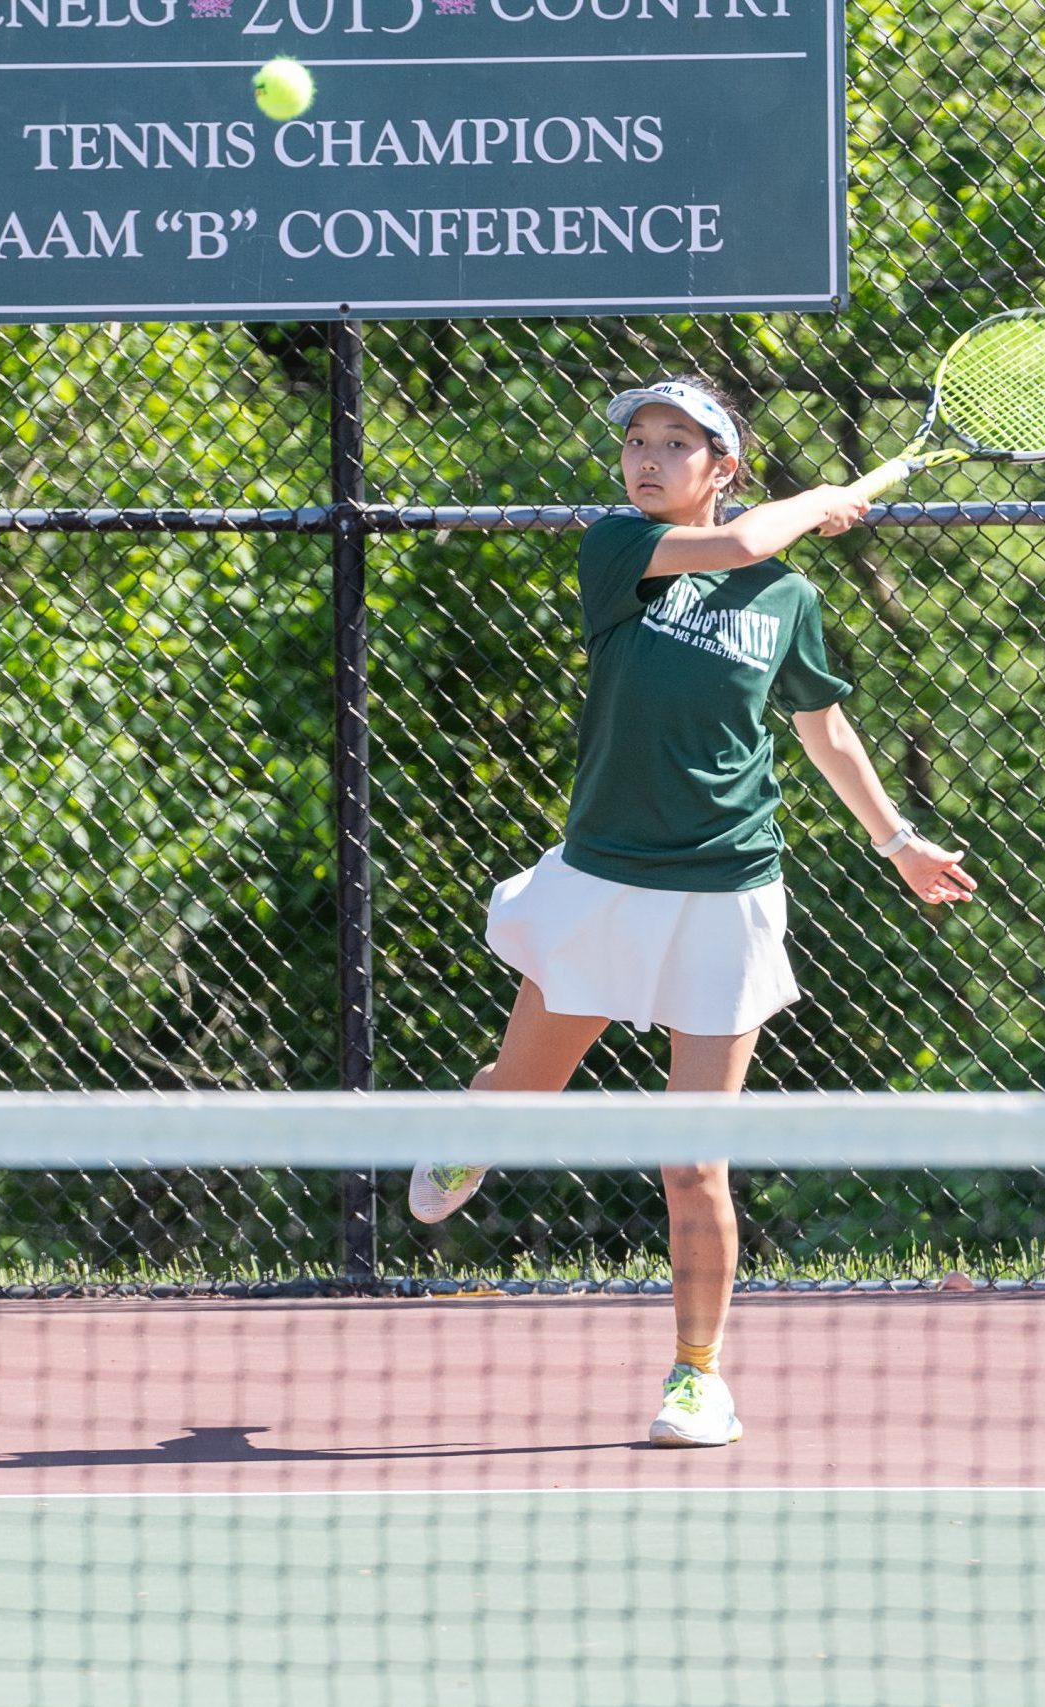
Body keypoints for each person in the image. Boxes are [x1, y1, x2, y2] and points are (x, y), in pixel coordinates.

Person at [410, 376, 978, 1447]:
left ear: (724, 469)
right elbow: (740, 546)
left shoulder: (787, 600)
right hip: (605, 882)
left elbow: (823, 732)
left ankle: (696, 1374)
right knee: (523, 1097)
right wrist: (813, 504)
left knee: (692, 1161)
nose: (649, 456)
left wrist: (895, 841)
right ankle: (472, 1129)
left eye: (680, 442)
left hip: (726, 893)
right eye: (637, 438)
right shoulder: (616, 549)